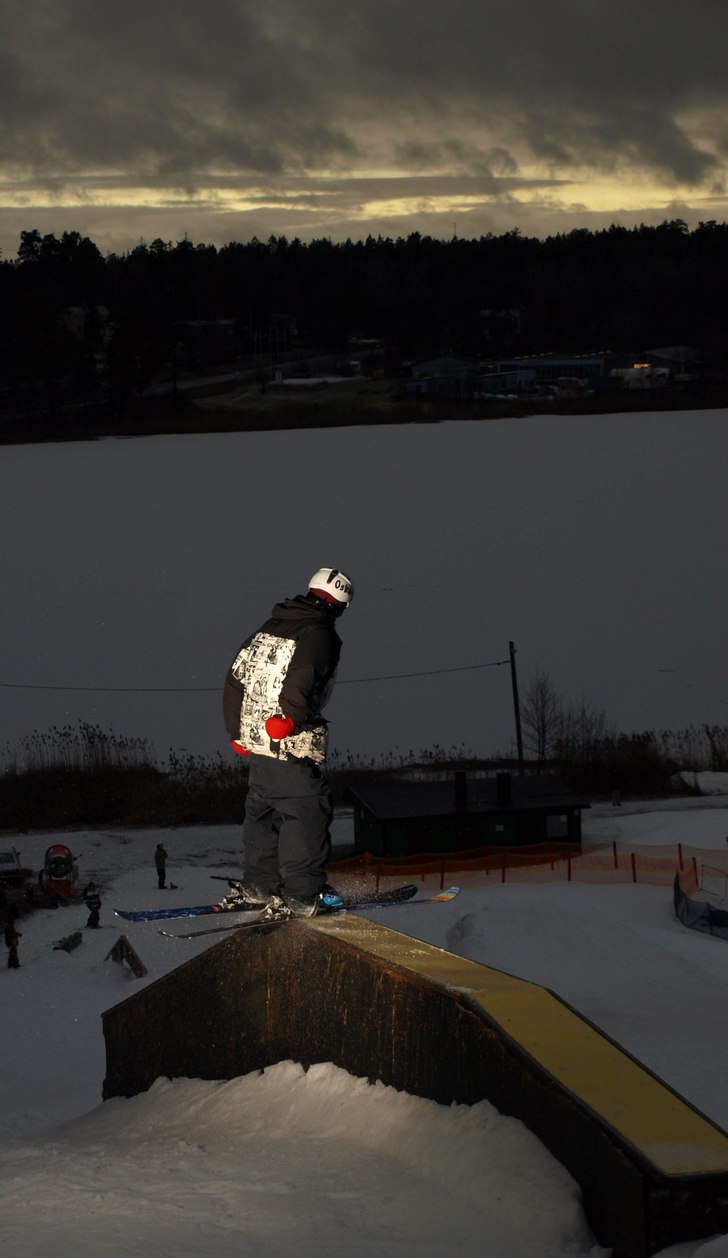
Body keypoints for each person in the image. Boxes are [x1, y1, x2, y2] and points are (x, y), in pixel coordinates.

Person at [222, 566, 354, 918]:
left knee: (263, 813)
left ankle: (259, 887)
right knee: (306, 809)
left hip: (257, 743)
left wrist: (236, 732)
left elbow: (236, 678)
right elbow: (304, 673)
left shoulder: (269, 626)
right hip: (287, 740)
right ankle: (301, 894)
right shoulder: (320, 633)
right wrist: (291, 718)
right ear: (341, 605)